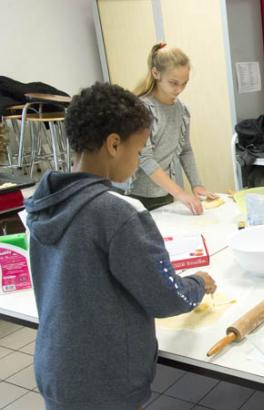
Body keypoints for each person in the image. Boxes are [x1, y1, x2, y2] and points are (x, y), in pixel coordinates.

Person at [24, 82, 217, 410]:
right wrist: (198, 284)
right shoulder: (118, 212)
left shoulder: (42, 203)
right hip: (106, 381)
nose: (138, 159)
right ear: (114, 144)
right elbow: (166, 296)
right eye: (139, 150)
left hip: (56, 367)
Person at [129, 42, 216, 215]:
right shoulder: (142, 109)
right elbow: (145, 159)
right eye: (173, 83)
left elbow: (185, 150)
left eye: (184, 83)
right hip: (137, 196)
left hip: (164, 194)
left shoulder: (181, 110)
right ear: (156, 73)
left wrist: (196, 184)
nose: (179, 89)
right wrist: (181, 194)